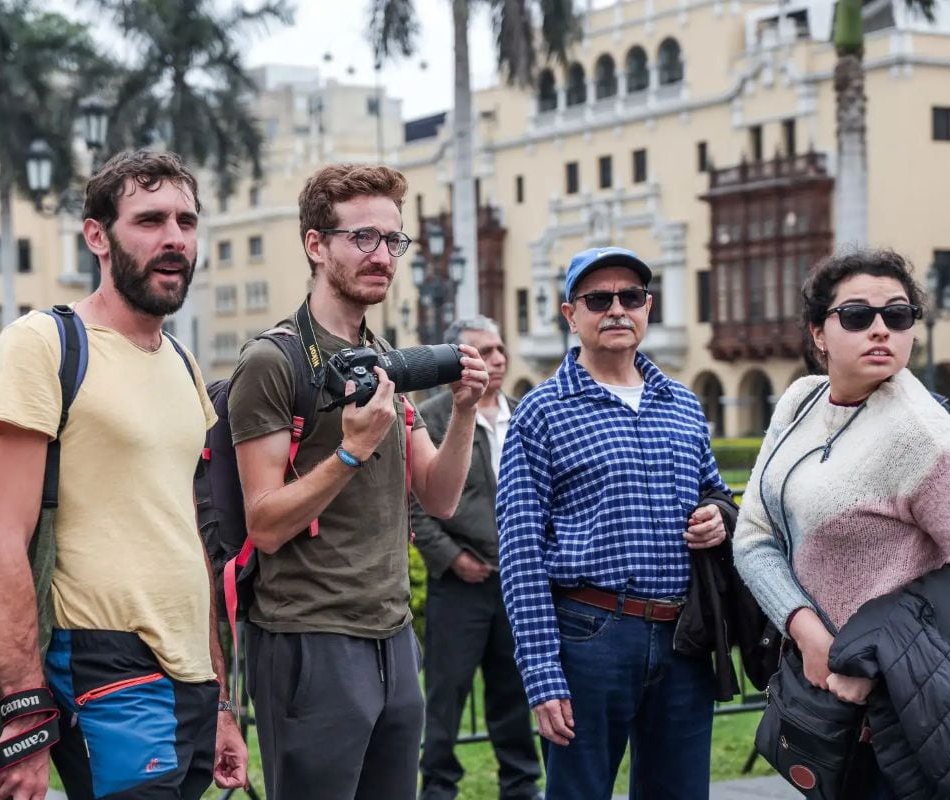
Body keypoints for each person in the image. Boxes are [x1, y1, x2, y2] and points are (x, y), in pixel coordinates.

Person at [0, 150, 248, 800]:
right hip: (103, 658)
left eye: (187, 220)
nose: (175, 237)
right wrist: (25, 716)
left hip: (189, 675)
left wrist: (222, 704)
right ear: (97, 235)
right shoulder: (42, 343)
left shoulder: (181, 362)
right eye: (150, 219)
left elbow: (182, 536)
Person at [228, 163, 489, 800]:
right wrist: (349, 452)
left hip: (392, 635)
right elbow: (261, 524)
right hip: (308, 637)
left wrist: (461, 413)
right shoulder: (272, 362)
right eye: (363, 238)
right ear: (316, 245)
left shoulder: (382, 359)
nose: (383, 256)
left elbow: (440, 495)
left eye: (392, 241)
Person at [733, 249, 950, 799]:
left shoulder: (923, 437)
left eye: (898, 314)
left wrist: (876, 660)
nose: (880, 329)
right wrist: (809, 633)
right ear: (819, 332)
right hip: (818, 689)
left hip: (904, 710)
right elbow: (753, 537)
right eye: (856, 315)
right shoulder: (799, 401)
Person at [496, 246, 731, 800]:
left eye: (631, 297)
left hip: (682, 638)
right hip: (589, 635)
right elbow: (520, 552)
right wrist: (541, 673)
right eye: (599, 299)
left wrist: (718, 518)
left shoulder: (683, 404)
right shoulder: (542, 411)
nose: (617, 309)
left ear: (648, 307)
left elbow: (716, 491)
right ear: (570, 314)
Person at [413, 316, 541, 800]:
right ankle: (439, 788)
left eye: (500, 349)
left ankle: (522, 786)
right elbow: (416, 509)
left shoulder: (526, 414)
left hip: (517, 583)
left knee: (514, 690)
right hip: (459, 584)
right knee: (446, 695)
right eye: (483, 352)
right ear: (458, 362)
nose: (497, 360)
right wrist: (452, 558)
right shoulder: (433, 416)